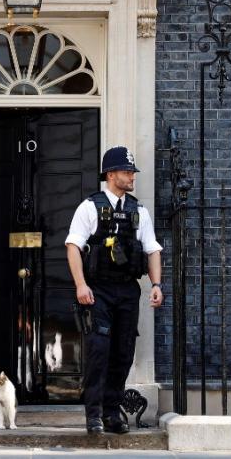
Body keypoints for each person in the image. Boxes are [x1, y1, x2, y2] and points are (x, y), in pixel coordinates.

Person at [65, 146, 163, 435]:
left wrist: (156, 285)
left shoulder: (138, 211)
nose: (132, 176)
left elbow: (153, 249)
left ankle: (112, 413)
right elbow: (73, 246)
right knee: (99, 351)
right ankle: (93, 415)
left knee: (123, 353)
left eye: (132, 171)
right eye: (126, 171)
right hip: (98, 291)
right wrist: (81, 285)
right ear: (110, 175)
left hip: (127, 291)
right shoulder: (89, 207)